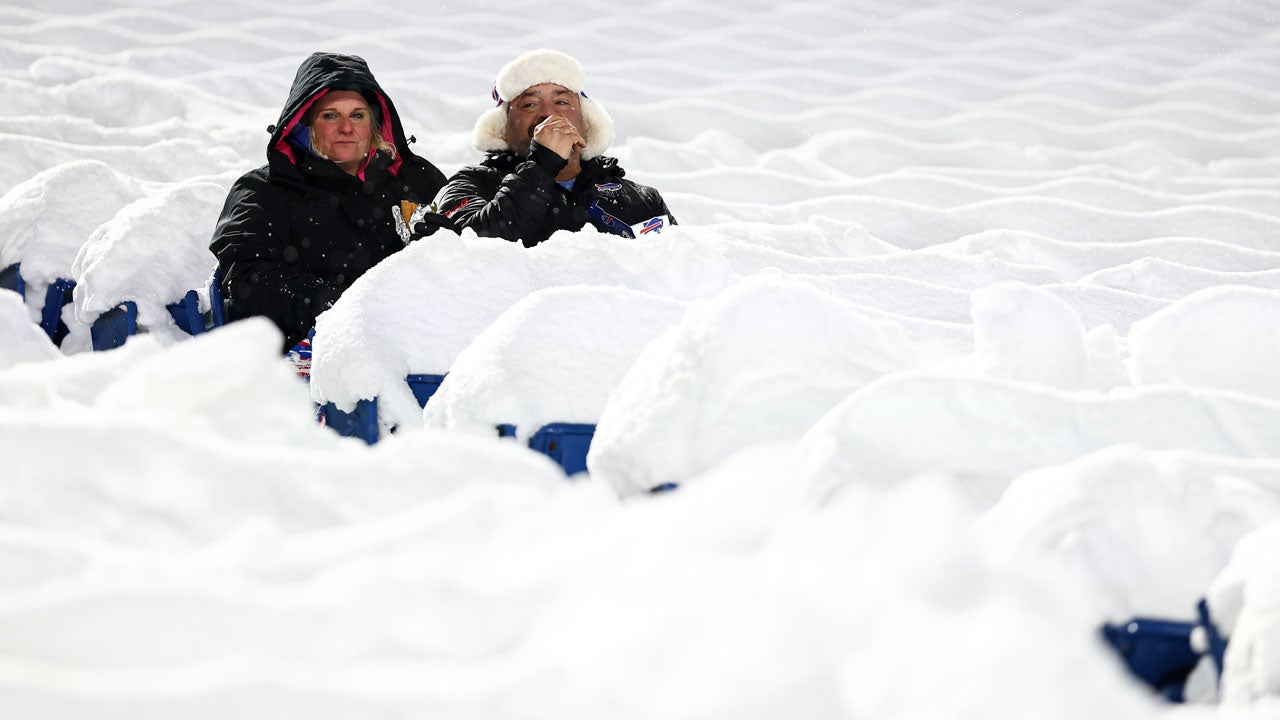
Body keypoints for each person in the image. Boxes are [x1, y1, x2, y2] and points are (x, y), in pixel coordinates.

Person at [210, 51, 446, 350]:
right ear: (304, 123)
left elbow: (466, 258)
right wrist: (340, 307)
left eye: (357, 115)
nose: (346, 128)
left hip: (421, 344)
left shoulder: (415, 179)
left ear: (375, 124)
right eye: (330, 115)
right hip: (306, 357)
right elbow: (247, 280)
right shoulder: (264, 189)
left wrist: (442, 243)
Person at [432, 49, 674, 248]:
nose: (548, 113)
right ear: (503, 129)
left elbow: (677, 275)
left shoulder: (642, 199)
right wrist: (542, 164)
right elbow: (466, 251)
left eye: (561, 102)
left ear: (587, 123)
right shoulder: (473, 183)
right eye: (529, 104)